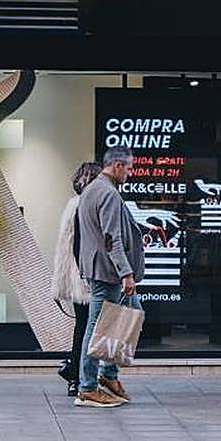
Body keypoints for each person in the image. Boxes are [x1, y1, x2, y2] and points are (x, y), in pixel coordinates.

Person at [74, 146, 146, 408]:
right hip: (109, 272)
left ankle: (108, 375)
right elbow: (111, 239)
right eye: (128, 167)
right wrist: (126, 273)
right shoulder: (107, 194)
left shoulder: (92, 190)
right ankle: (88, 387)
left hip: (102, 270)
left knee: (131, 316)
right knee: (96, 328)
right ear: (116, 166)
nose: (131, 172)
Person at [51, 161, 102, 397]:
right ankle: (78, 374)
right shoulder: (90, 207)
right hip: (88, 276)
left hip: (77, 276)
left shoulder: (73, 205)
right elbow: (87, 245)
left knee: (82, 327)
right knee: (90, 328)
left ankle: (75, 373)